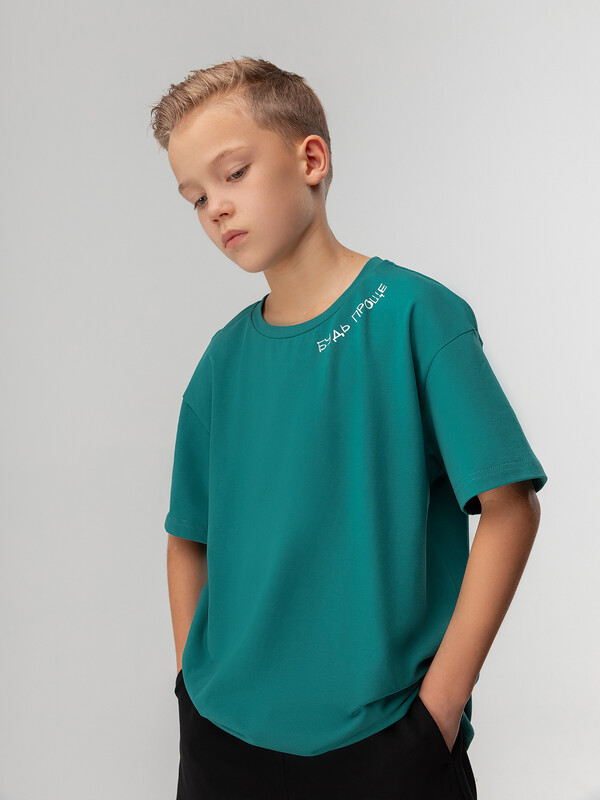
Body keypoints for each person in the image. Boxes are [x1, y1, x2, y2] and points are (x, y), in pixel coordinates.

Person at [149, 56, 547, 800]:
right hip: (222, 744)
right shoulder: (222, 362)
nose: (215, 209)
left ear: (311, 159)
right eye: (196, 197)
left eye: (233, 174)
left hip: (386, 745)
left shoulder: (416, 315)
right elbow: (187, 537)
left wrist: (438, 713)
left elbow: (510, 507)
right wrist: (191, 689)